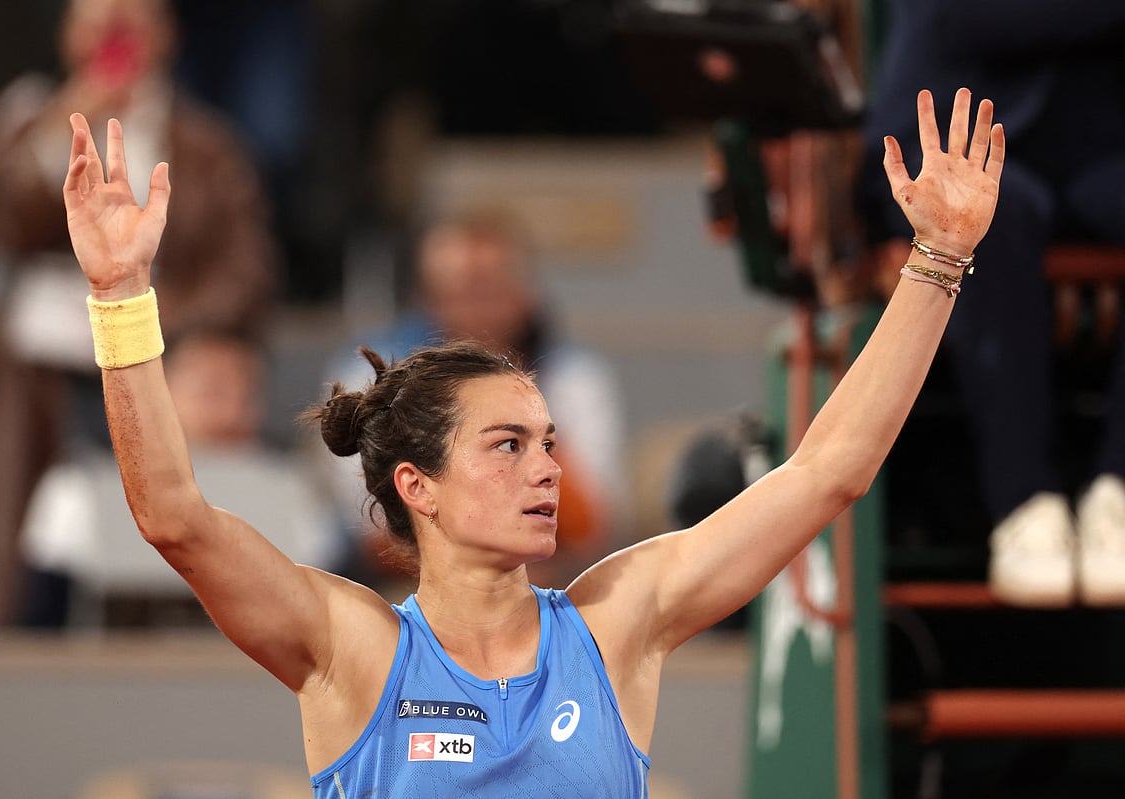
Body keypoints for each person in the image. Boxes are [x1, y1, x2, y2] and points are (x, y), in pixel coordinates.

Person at [59, 86, 1002, 794]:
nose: (546, 466)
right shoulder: (352, 646)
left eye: (547, 442)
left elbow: (831, 470)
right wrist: (118, 296)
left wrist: (939, 259)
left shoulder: (616, 622)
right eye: (506, 445)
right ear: (417, 485)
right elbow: (173, 514)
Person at [0, 0, 279, 627]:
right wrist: (62, 124)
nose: (113, 38)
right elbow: (1, 224)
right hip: (44, 372)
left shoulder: (207, 142)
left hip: (160, 357)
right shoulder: (26, 118)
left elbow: (246, 270)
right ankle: (2, 620)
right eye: (96, 23)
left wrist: (165, 311)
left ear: (165, 36)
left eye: (130, 23)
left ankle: (165, 624)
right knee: (22, 508)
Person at [855, 1, 1125, 607]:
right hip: (951, 133)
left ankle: (1119, 496)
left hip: (1100, 143)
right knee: (988, 217)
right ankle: (1023, 506)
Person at [322, 212, 626, 591]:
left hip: (543, 576)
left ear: (525, 292)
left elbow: (589, 526)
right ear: (428, 296)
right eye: (462, 289)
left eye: (491, 287)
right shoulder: (370, 374)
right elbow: (371, 530)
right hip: (402, 582)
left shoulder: (577, 378)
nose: (478, 307)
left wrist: (515, 400)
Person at [17, 330, 344, 627]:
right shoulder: (77, 490)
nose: (233, 412)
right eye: (212, 392)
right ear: (157, 391)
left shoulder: (293, 490)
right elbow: (46, 620)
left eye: (248, 394)